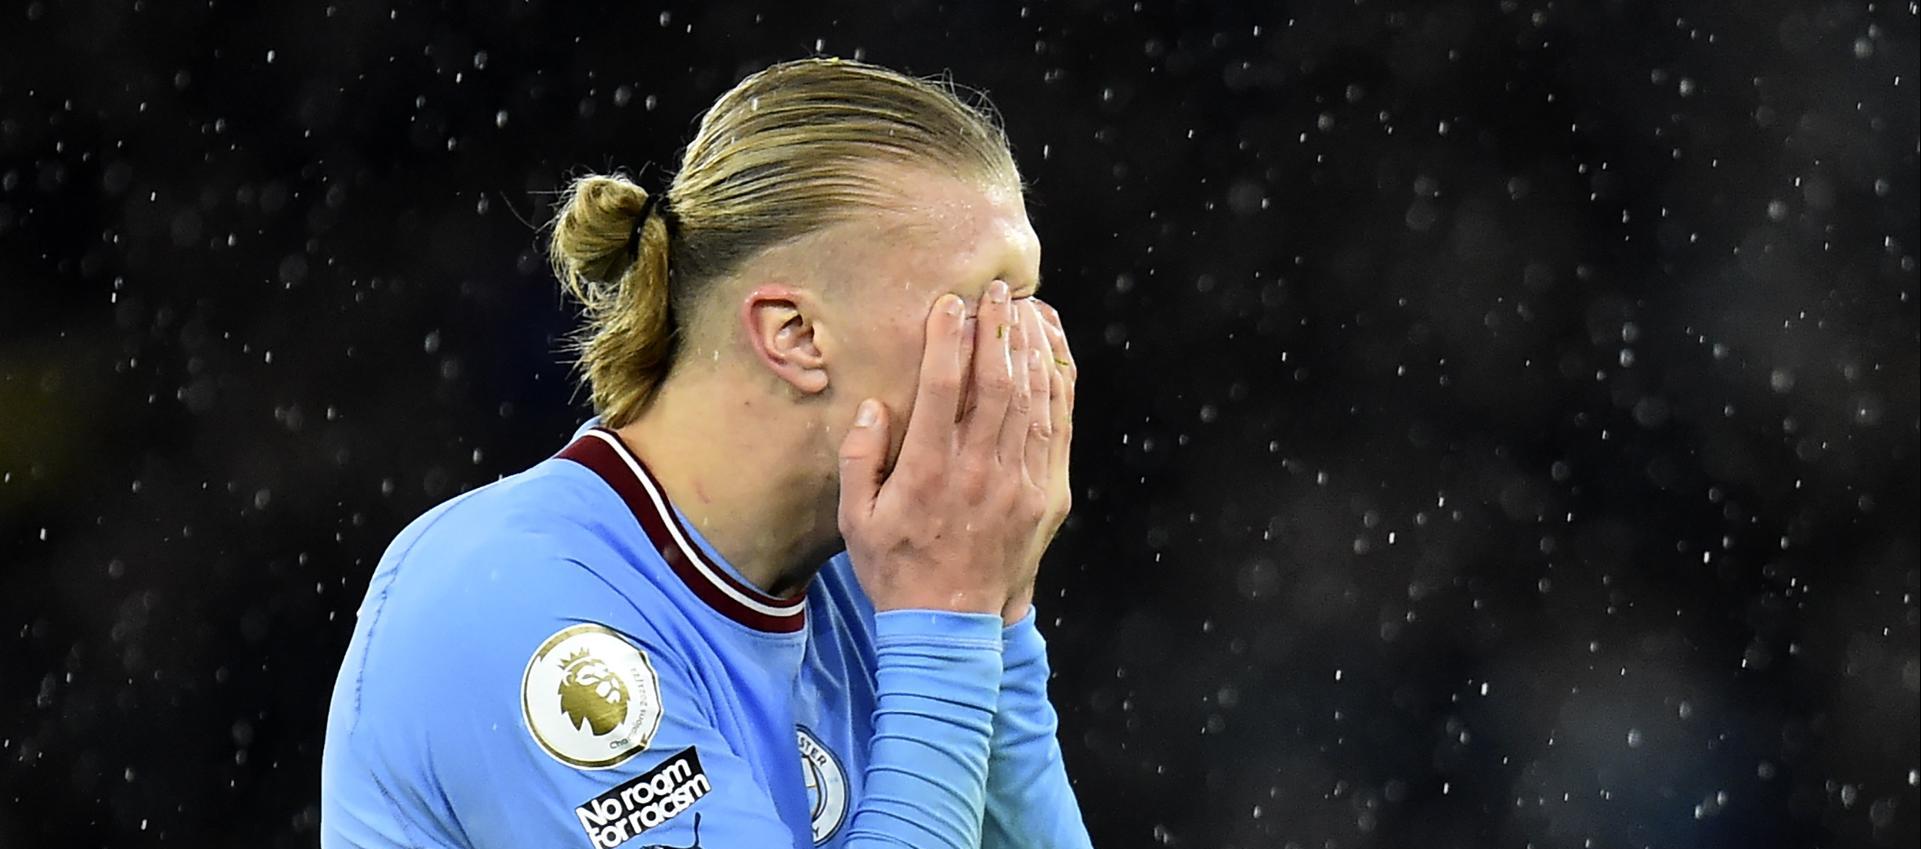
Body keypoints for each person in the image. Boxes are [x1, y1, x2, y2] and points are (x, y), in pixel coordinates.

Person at [320, 57, 1093, 849]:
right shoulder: (515, 603)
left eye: (1026, 298)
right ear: (796, 335)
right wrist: (948, 621)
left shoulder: (885, 575)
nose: (1027, 348)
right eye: (981, 302)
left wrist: (996, 613)